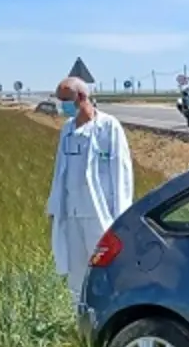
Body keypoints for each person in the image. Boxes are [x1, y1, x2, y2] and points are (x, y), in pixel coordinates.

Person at [46, 77, 134, 295]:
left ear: (82, 97)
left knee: (107, 272)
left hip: (99, 214)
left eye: (66, 100)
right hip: (72, 214)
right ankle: (80, 321)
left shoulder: (108, 127)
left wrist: (121, 219)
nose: (62, 105)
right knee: (77, 277)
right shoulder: (67, 130)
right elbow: (60, 172)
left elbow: (121, 173)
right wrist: (54, 207)